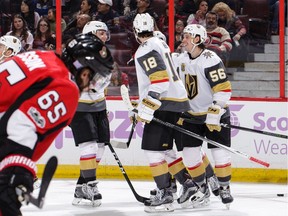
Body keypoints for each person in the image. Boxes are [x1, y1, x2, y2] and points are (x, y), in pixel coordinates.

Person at [0, 33, 113, 215]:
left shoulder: (43, 56)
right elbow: (18, 126)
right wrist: (16, 171)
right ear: (84, 72)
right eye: (95, 78)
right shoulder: (66, 87)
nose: (92, 85)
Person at [132, 13, 203, 212]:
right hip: (177, 102)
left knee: (152, 151)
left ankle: (165, 195)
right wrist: (144, 102)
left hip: (164, 104)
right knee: (166, 150)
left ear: (135, 30)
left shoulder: (145, 48)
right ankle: (188, 186)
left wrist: (148, 104)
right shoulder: (161, 43)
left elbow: (160, 79)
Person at [172, 24, 234, 209]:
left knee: (219, 153)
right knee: (190, 155)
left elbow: (223, 89)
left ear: (197, 39)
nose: (182, 40)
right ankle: (202, 188)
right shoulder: (181, 59)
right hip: (191, 116)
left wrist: (216, 111)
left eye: (186, 37)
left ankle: (224, 188)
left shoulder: (210, 59)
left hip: (215, 116)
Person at [71, 20, 114, 207]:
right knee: (88, 147)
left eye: (105, 33)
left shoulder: (104, 53)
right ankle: (90, 185)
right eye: (100, 32)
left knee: (100, 147)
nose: (105, 36)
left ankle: (81, 186)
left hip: (99, 107)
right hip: (80, 108)